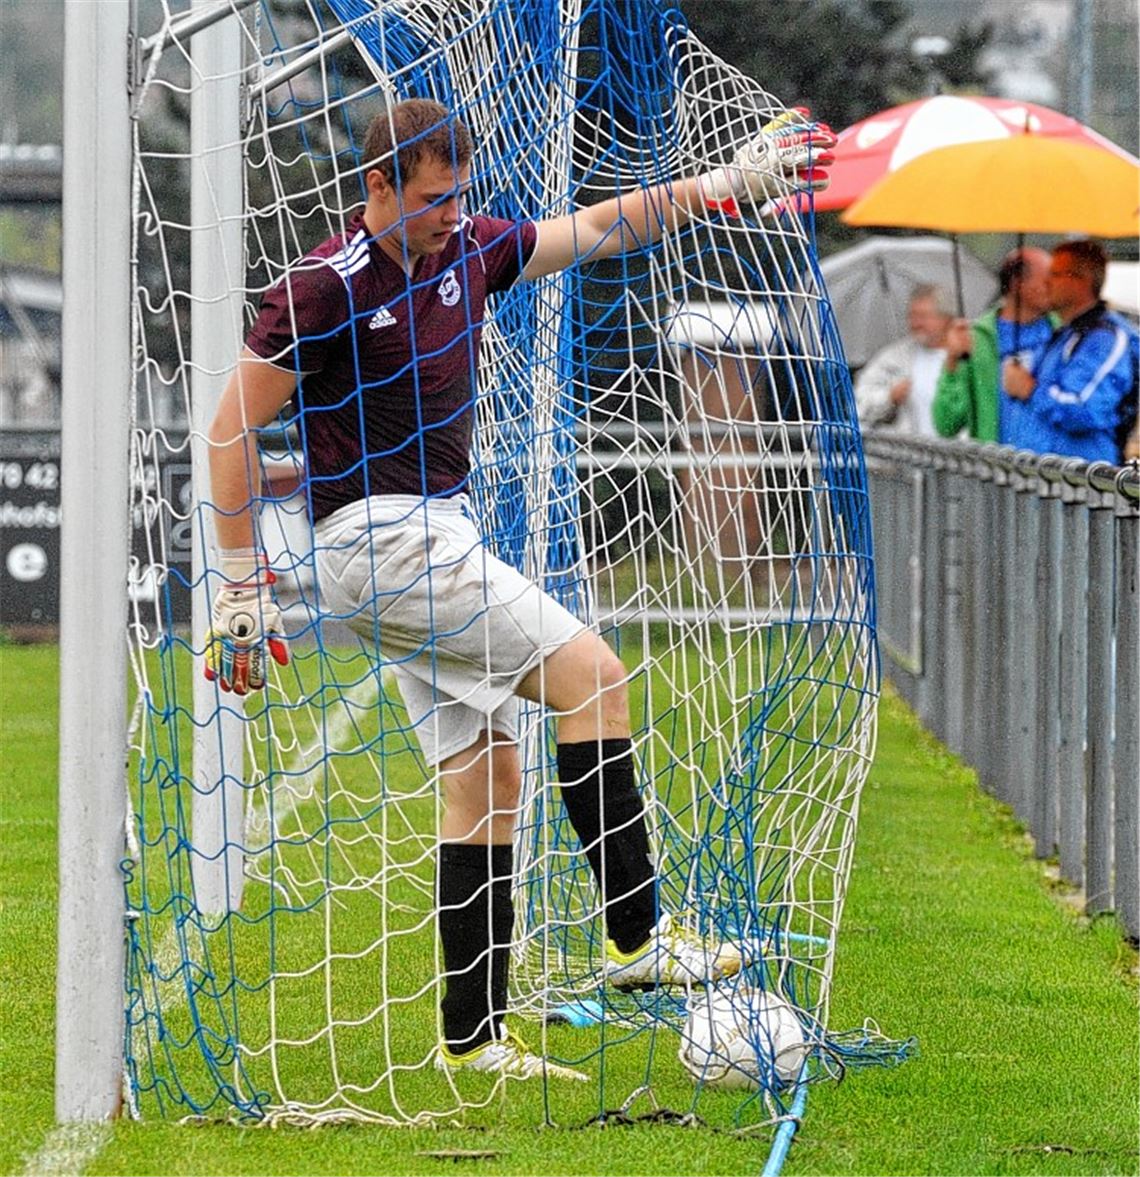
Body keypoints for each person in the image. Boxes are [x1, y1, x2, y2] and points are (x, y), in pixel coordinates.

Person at [204, 99, 836, 1080]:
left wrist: (721, 187)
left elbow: (591, 228)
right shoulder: (323, 286)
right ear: (376, 187)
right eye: (429, 198)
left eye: (458, 196)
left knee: (486, 783)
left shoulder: (469, 250)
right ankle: (641, 938)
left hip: (429, 537)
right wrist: (240, 583)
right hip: (378, 545)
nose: (449, 214)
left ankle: (472, 1037)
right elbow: (229, 433)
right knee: (593, 675)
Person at [1003, 239, 1139, 463]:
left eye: (1055, 274)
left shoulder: (1106, 339)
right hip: (1044, 484)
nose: (1046, 282)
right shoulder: (1062, 335)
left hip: (1079, 486)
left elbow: (1086, 409)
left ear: (1082, 281)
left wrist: (1030, 390)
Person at [932, 248, 1056, 443]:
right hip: (998, 468)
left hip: (1054, 468)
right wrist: (952, 361)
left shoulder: (1063, 331)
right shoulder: (976, 339)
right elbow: (946, 424)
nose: (1056, 287)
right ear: (1018, 284)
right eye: (1047, 281)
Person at [854, 285, 953, 437]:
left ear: (946, 318)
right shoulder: (893, 357)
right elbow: (859, 405)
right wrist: (889, 397)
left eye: (923, 316)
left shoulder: (966, 355)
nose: (915, 323)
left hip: (959, 454)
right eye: (912, 316)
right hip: (910, 455)